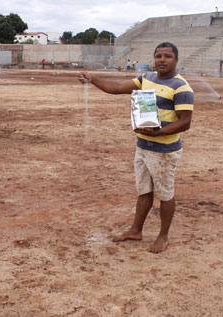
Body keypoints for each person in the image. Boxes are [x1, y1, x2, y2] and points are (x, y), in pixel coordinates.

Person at [78, 42, 194, 253]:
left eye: (167, 56)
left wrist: (158, 132)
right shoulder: (146, 78)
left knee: (165, 194)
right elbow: (118, 88)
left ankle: (163, 236)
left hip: (165, 152)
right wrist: (93, 79)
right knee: (144, 191)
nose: (162, 59)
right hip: (143, 146)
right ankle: (135, 230)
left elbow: (185, 122)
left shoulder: (181, 88)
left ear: (176, 60)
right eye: (158, 55)